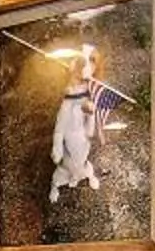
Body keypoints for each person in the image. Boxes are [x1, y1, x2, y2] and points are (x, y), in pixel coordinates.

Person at [50, 45, 127, 199]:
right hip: (67, 152)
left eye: (91, 60)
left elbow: (90, 132)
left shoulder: (92, 94)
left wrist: (91, 116)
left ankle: (90, 176)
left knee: (85, 168)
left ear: (96, 68)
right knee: (59, 176)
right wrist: (57, 145)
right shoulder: (69, 98)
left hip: (83, 147)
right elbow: (60, 124)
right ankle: (54, 187)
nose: (84, 63)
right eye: (81, 57)